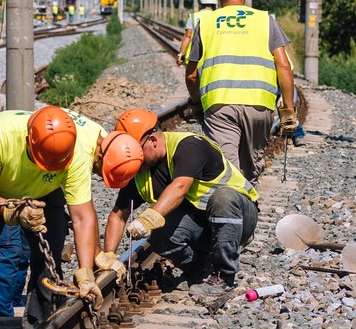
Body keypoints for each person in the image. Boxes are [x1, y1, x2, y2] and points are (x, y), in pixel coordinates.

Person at [0, 105, 103, 329]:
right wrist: (12, 210)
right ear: (28, 141)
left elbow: (83, 215)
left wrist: (85, 273)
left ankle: (40, 325)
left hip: (46, 191)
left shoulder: (76, 154)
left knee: (49, 257)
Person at [98, 126, 259, 299]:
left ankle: (223, 276)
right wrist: (109, 256)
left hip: (239, 219)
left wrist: (148, 219)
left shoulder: (188, 146)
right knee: (158, 232)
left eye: (139, 151)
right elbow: (118, 215)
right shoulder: (140, 170)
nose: (138, 160)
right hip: (204, 228)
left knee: (223, 197)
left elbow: (180, 186)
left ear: (152, 140)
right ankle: (199, 269)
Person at [183, 0, 297, 180]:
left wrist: (197, 103)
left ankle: (233, 209)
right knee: (250, 170)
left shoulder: (205, 24)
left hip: (220, 107)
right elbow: (284, 67)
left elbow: (191, 75)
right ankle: (248, 208)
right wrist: (288, 111)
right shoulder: (266, 21)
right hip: (259, 107)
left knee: (226, 173)